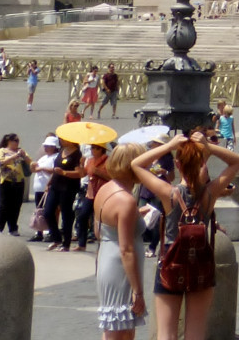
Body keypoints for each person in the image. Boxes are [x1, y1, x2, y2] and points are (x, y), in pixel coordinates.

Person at [134, 131, 239, 340]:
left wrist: (168, 145)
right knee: (196, 332)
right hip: (201, 259)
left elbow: (137, 165)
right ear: (203, 165)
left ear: (177, 164)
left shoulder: (169, 193)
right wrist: (209, 148)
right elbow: (237, 162)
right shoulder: (211, 192)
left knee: (166, 332)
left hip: (171, 258)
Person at [94, 145, 149, 340]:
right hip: (120, 266)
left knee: (121, 328)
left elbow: (98, 230)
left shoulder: (105, 189)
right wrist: (138, 291)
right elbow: (126, 249)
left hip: (107, 258)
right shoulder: (126, 200)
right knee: (119, 331)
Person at [48, 137, 86, 251]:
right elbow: (55, 169)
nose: (61, 140)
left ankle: (66, 243)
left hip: (68, 187)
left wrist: (64, 172)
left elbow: (80, 173)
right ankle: (57, 238)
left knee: (66, 214)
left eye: (63, 139)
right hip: (55, 185)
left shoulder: (77, 154)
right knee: (48, 212)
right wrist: (49, 182)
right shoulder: (62, 150)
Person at [0, 133, 31, 235]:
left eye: (18, 141)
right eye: (15, 140)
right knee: (3, 205)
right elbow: (0, 163)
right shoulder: (2, 151)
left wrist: (23, 155)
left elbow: (30, 162)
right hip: (5, 181)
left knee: (16, 206)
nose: (17, 142)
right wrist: (14, 156)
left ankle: (13, 228)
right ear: (8, 141)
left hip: (18, 181)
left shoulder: (20, 151)